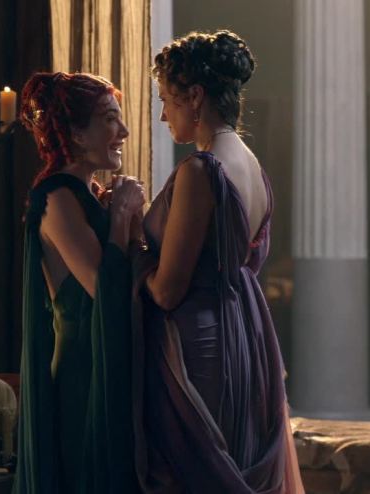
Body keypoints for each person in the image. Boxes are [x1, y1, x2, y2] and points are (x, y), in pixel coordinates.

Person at [133, 31, 304, 492]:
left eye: (166, 100)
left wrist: (125, 244)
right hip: (247, 335)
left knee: (195, 472)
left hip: (198, 344)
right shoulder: (252, 165)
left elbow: (167, 290)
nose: (163, 114)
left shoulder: (201, 170)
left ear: (195, 96)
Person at [13, 72, 146, 494]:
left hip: (106, 365)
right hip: (82, 376)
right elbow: (104, 291)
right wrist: (121, 216)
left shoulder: (87, 194)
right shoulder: (57, 197)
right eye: (110, 119)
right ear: (76, 133)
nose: (123, 131)